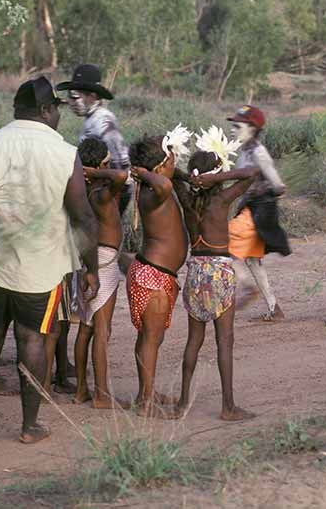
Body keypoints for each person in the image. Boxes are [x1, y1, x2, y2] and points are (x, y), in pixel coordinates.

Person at [0, 76, 99, 445]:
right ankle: (29, 427)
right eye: (56, 110)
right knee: (32, 340)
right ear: (46, 111)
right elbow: (83, 216)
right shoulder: (63, 152)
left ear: (16, 110)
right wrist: (90, 267)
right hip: (40, 270)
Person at [174, 151, 258, 421]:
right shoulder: (221, 199)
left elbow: (174, 174)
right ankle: (228, 407)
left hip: (196, 271)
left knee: (194, 340)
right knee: (225, 340)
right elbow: (251, 173)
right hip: (219, 272)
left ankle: (182, 403)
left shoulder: (187, 200)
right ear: (215, 173)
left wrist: (190, 178)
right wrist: (217, 178)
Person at [125, 136, 187, 418]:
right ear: (160, 167)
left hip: (154, 274)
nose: (175, 162)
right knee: (151, 339)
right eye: (171, 158)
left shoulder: (151, 188)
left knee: (150, 338)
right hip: (153, 276)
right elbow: (165, 183)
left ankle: (145, 392)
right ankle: (146, 401)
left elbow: (167, 180)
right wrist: (146, 172)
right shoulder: (155, 190)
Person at [72, 138, 127, 408]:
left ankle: (83, 389)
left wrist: (93, 172)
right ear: (98, 165)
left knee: (87, 328)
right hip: (103, 262)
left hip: (94, 261)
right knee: (101, 330)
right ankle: (102, 394)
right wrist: (97, 172)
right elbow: (121, 176)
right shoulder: (100, 193)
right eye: (106, 160)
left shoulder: (85, 192)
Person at [228, 106, 291, 322]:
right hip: (252, 208)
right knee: (254, 261)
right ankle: (274, 309)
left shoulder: (258, 152)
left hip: (258, 210)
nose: (233, 130)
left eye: (238, 126)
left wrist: (254, 189)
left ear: (253, 129)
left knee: (227, 247)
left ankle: (246, 286)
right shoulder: (246, 150)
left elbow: (278, 186)